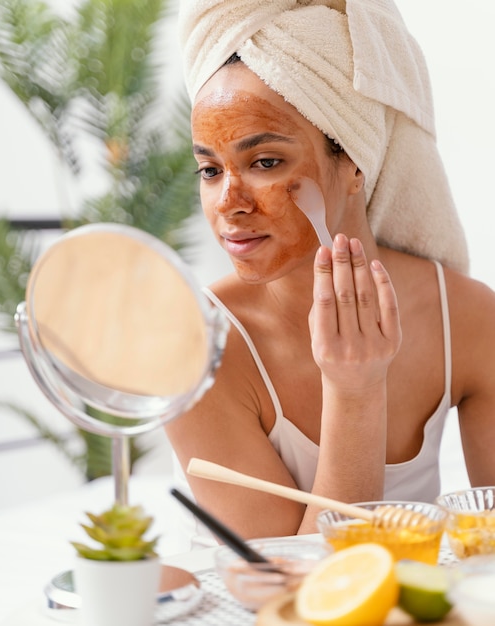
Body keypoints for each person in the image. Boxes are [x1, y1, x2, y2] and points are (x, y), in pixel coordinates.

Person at [165, 0, 495, 550]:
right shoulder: (199, 346)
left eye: (265, 162)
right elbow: (301, 586)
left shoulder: (467, 316)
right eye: (210, 169)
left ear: (355, 164)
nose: (229, 202)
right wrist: (355, 391)